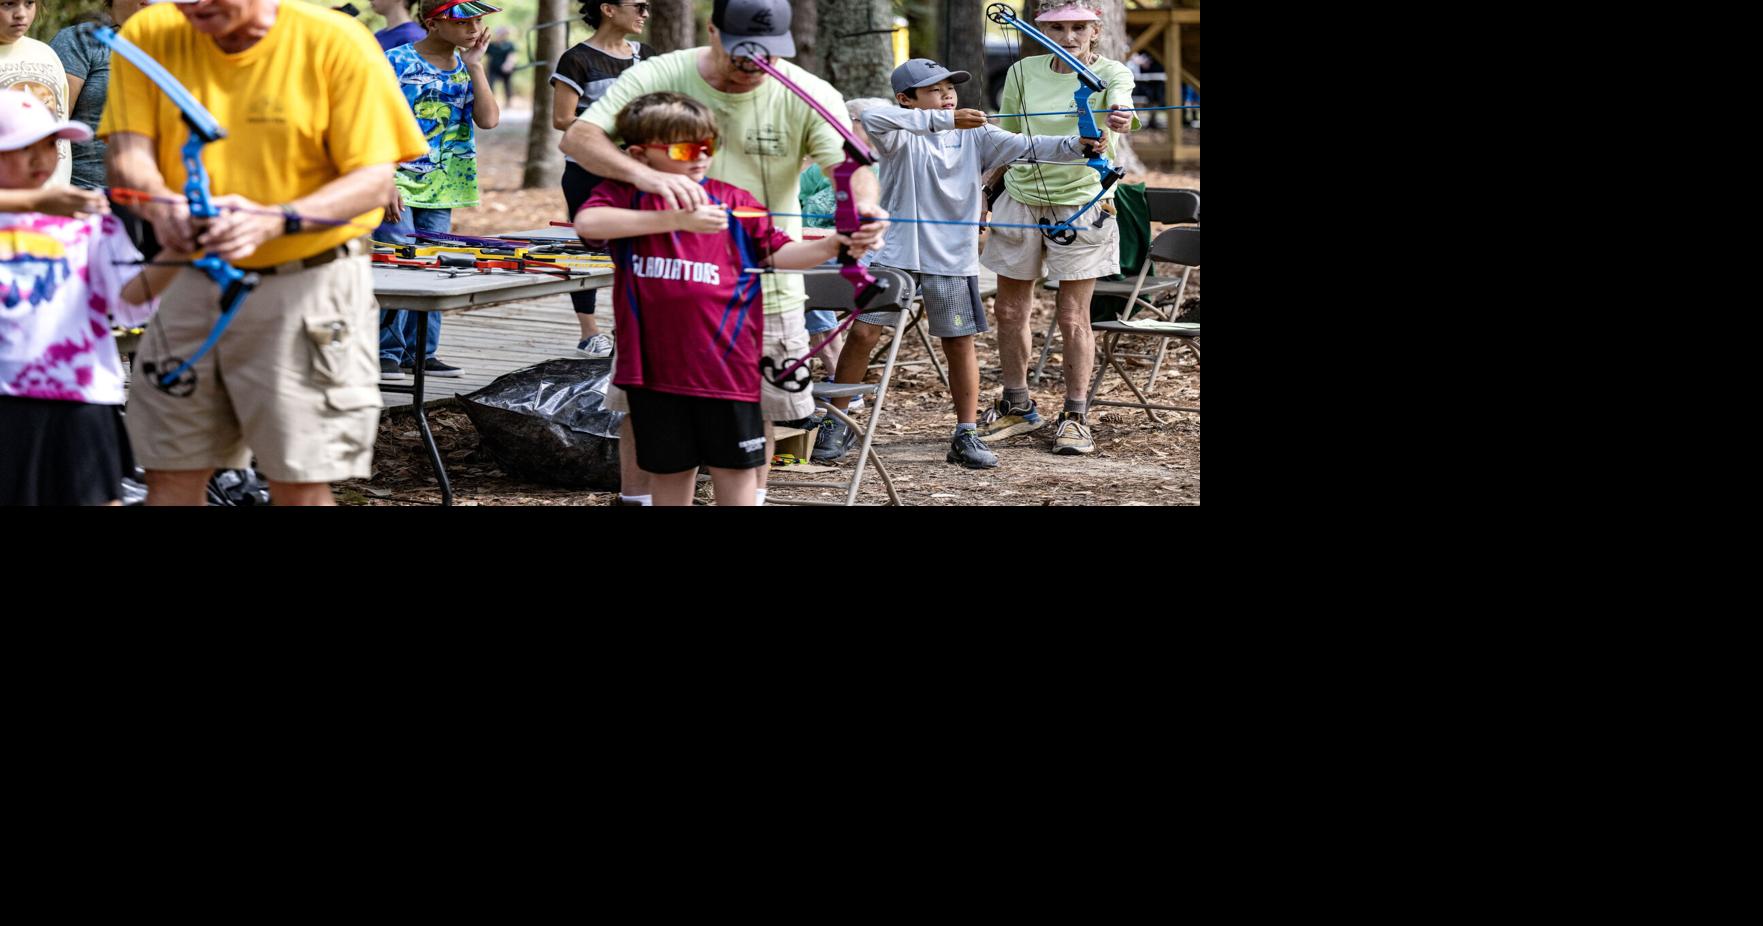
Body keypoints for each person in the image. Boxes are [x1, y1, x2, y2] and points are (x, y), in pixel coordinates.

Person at [559, 0, 887, 507]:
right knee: (647, 420)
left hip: (763, 296)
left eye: (769, 56)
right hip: (661, 314)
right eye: (741, 54)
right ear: (714, 31)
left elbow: (849, 165)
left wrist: (859, 217)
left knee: (756, 417)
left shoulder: (808, 92)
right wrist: (650, 183)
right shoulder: (662, 73)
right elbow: (581, 138)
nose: (754, 67)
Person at [102, 0, 426, 506]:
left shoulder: (335, 40)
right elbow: (127, 154)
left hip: (306, 287)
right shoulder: (151, 32)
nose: (192, 5)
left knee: (297, 478)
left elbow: (372, 181)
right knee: (168, 468)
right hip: (192, 279)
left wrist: (276, 218)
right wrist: (164, 208)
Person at [814, 59, 1096, 470]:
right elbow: (872, 115)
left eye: (950, 87)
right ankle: (836, 421)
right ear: (906, 99)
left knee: (958, 342)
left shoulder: (977, 134)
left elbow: (1028, 145)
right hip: (896, 253)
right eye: (933, 90)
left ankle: (965, 432)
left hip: (950, 257)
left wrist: (1080, 145)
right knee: (863, 333)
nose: (947, 95)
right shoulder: (897, 132)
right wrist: (942, 121)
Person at [574, 92, 852, 506]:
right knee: (669, 472)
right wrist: (676, 219)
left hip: (729, 370)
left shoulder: (735, 200)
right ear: (639, 154)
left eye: (709, 145)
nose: (701, 156)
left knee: (736, 470)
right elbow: (588, 222)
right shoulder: (625, 195)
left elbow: (779, 253)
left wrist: (834, 245)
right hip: (654, 372)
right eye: (686, 147)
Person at [980, 0, 1137, 456]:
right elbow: (1006, 136)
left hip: (1081, 201)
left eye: (1078, 27)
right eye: (1057, 27)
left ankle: (1074, 415)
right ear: (1040, 31)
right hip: (1021, 195)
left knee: (1072, 317)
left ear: (1095, 29)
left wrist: (1119, 115)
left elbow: (1122, 103)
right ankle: (1018, 404)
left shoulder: (1110, 72)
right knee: (1009, 312)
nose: (1068, 36)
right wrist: (988, 189)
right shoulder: (1022, 72)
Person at [0, 90, 166, 504]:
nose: (42, 161)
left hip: (82, 397)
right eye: (22, 149)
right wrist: (37, 202)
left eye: (49, 146)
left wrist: (180, 255)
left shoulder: (89, 223)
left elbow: (131, 303)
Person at [377, 0, 501, 382]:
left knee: (432, 266)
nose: (473, 27)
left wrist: (477, 64)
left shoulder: (468, 65)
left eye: (478, 20)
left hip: (445, 184)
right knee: (398, 264)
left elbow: (489, 119)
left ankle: (422, 353)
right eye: (463, 20)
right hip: (397, 181)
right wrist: (383, 178)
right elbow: (371, 121)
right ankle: (386, 353)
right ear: (432, 23)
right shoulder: (394, 61)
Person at [551, 0, 652, 360]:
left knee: (641, 248)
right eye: (638, 5)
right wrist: (613, 140)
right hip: (586, 169)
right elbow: (562, 119)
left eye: (648, 6)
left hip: (638, 172)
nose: (645, 13)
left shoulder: (648, 56)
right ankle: (589, 332)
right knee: (589, 248)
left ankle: (630, 326)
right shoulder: (576, 59)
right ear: (608, 8)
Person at [50, 1, 148, 193]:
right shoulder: (82, 40)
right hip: (87, 194)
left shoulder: (180, 43)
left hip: (161, 195)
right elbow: (51, 128)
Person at [0, 0, 71, 187]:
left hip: (55, 199)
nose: (21, 13)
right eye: (8, 4)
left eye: (29, 3)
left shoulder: (46, 54)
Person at [485, 24, 514, 102]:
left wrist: (508, 64)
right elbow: (484, 55)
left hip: (505, 69)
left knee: (507, 85)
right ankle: (491, 101)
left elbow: (512, 55)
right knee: (491, 84)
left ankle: (509, 102)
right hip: (493, 68)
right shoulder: (491, 45)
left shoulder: (509, 44)